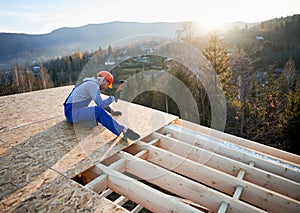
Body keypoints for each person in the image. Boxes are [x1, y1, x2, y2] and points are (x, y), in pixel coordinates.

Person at [63, 70, 140, 140]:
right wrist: (112, 98)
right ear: (103, 80)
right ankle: (124, 131)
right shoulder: (92, 85)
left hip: (74, 111)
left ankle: (82, 122)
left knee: (95, 120)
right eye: (108, 84)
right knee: (98, 111)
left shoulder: (91, 83)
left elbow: (102, 103)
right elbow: (100, 105)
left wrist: (112, 112)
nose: (107, 87)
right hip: (71, 112)